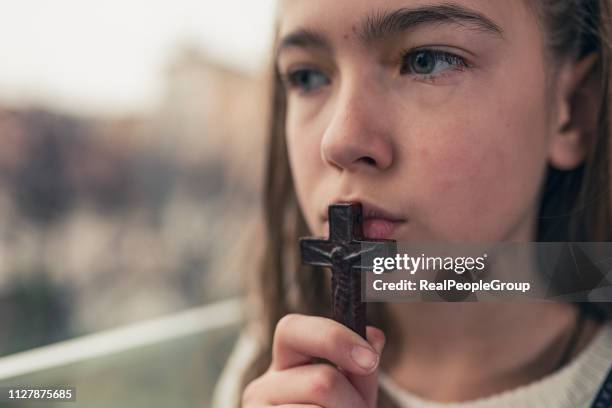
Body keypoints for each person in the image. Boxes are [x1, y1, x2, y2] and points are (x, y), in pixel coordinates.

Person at [212, 0, 612, 406]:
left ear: (574, 110)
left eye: (426, 62)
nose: (338, 141)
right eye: (308, 77)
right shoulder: (267, 369)